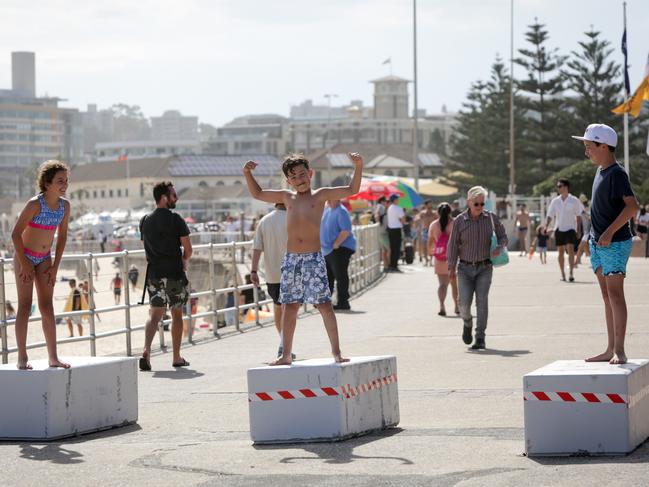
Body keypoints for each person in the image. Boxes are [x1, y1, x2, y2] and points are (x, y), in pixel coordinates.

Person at [243, 152, 363, 365]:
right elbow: (258, 193)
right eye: (294, 177)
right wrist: (247, 173)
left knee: (325, 305)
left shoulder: (321, 195)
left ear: (310, 173)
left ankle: (336, 352)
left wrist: (358, 165)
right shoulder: (286, 197)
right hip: (291, 260)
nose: (299, 179)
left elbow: (352, 189)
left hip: (314, 259)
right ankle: (285, 354)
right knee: (290, 306)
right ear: (288, 181)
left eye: (302, 174)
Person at [572, 123, 640, 364]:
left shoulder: (617, 173)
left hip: (614, 243)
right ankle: (610, 348)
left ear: (604, 146)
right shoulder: (600, 171)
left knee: (615, 294)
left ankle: (619, 350)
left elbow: (633, 207)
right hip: (598, 242)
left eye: (589, 146)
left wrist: (610, 232)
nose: (586, 151)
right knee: (606, 295)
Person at [11, 160, 71, 369]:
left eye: (66, 180)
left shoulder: (65, 206)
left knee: (47, 306)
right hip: (24, 257)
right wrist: (25, 263)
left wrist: (55, 265)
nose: (64, 184)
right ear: (47, 183)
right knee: (25, 307)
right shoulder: (34, 204)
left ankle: (53, 357)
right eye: (60, 180)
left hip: (45, 258)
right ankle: (22, 357)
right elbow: (15, 234)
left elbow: (62, 237)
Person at [138, 181, 193, 371]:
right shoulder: (175, 219)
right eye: (173, 195)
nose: (176, 198)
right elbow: (188, 249)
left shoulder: (145, 220)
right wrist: (184, 259)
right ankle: (176, 357)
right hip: (174, 274)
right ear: (164, 198)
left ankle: (146, 351)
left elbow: (145, 245)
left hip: (154, 275)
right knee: (177, 313)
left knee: (154, 315)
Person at [447, 186, 508, 350]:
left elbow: (503, 236)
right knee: (464, 303)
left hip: (485, 267)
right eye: (477, 204)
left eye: (482, 203)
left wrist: (500, 246)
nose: (480, 207)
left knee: (482, 302)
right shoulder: (460, 220)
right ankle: (467, 322)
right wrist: (451, 267)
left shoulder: (490, 218)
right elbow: (452, 245)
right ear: (469, 202)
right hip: (465, 268)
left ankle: (480, 337)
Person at [251, 202, 289, 357]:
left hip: (272, 274)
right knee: (289, 309)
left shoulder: (264, 221)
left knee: (278, 308)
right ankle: (284, 344)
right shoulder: (293, 218)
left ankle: (283, 341)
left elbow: (257, 248)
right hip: (292, 272)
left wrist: (253, 270)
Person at [321, 199, 356, 311]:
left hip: (339, 248)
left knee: (340, 276)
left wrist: (336, 243)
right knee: (328, 277)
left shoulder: (341, 211)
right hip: (328, 249)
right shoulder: (328, 210)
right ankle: (326, 302)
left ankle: (343, 302)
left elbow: (346, 230)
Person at [546, 178, 584, 282]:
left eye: (560, 186)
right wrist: (546, 226)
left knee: (571, 249)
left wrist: (579, 230)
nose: (558, 188)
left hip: (570, 229)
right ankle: (563, 274)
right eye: (557, 186)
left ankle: (571, 273)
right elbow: (550, 215)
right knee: (560, 252)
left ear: (566, 187)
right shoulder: (555, 201)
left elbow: (578, 216)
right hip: (559, 228)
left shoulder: (574, 200)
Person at [427, 202, 458, 316]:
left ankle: (442, 305)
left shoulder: (433, 225)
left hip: (439, 258)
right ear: (450, 211)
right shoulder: (455, 223)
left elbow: (430, 242)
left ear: (437, 212)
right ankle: (456, 307)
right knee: (454, 284)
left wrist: (430, 252)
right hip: (453, 258)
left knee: (442, 284)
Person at [386, 193, 405, 272]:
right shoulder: (398, 208)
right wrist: (403, 222)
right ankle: (394, 265)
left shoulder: (389, 207)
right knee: (396, 248)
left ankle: (392, 265)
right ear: (394, 200)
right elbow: (403, 219)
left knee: (393, 248)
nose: (398, 200)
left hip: (390, 229)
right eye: (397, 199)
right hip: (396, 229)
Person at [418, 200, 437, 267]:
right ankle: (426, 260)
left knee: (432, 246)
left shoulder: (434, 213)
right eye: (429, 204)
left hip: (432, 230)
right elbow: (419, 221)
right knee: (424, 246)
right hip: (425, 230)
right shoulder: (422, 213)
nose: (430, 205)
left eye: (431, 204)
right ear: (426, 205)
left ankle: (431, 260)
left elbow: (437, 221)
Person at [374, 196, 391, 270]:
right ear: (382, 201)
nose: (386, 202)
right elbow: (377, 214)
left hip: (382, 231)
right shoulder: (380, 206)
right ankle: (388, 264)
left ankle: (385, 265)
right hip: (383, 231)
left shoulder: (381, 207)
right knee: (389, 249)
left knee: (385, 250)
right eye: (385, 201)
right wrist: (378, 223)